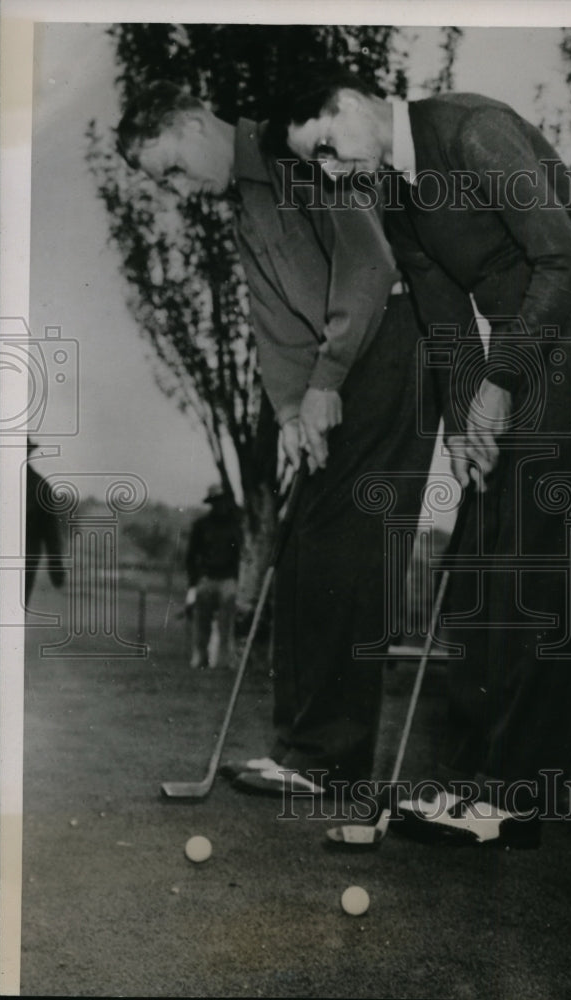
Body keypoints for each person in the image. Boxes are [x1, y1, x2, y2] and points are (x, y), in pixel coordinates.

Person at [277, 66, 571, 844]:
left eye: (331, 149)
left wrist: (500, 382)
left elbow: (564, 259)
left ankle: (513, 799)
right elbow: (444, 320)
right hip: (524, 353)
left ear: (352, 107)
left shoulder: (471, 130)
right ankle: (477, 786)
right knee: (478, 569)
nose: (333, 171)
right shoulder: (400, 193)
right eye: (319, 165)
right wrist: (463, 425)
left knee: (538, 578)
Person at [116, 82, 438, 791]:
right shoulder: (243, 203)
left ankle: (330, 760)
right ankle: (302, 752)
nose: (176, 190)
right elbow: (275, 322)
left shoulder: (293, 152)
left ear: (197, 122)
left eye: (171, 167)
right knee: (307, 555)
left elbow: (369, 265)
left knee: (350, 557)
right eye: (160, 182)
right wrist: (293, 413)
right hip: (342, 369)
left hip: (392, 351)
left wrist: (324, 384)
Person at [185, 483, 243, 670]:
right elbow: (191, 556)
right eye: (215, 502)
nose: (219, 506)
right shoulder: (201, 526)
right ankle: (200, 657)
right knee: (201, 619)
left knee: (228, 619)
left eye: (221, 501)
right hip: (208, 577)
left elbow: (242, 555)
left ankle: (226, 659)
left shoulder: (235, 526)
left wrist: (238, 579)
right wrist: (194, 582)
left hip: (228, 579)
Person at [25, 440, 67, 605]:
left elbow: (51, 535)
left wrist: (56, 570)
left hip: (24, 563)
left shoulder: (40, 488)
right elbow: (52, 536)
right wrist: (57, 572)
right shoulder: (40, 486)